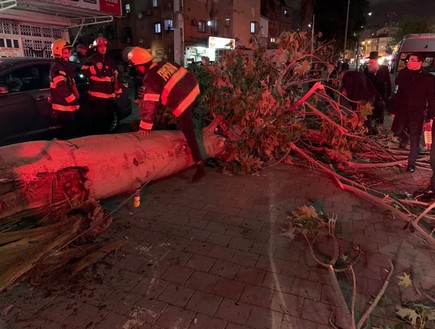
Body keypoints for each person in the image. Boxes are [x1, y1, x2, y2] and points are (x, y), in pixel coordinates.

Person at [127, 46, 205, 182]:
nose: (136, 71)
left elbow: (150, 104)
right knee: (192, 122)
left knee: (188, 131)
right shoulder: (165, 63)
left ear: (139, 66)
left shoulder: (149, 77)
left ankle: (199, 163)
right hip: (195, 90)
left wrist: (145, 127)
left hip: (183, 101)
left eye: (135, 67)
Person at [391, 53, 435, 173]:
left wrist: (431, 116)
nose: (408, 62)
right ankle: (404, 137)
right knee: (396, 131)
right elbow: (398, 87)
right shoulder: (405, 74)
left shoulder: (428, 78)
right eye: (408, 59)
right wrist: (394, 110)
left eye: (412, 60)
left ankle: (411, 163)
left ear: (419, 62)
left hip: (416, 113)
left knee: (415, 137)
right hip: (402, 111)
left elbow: (432, 99)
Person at [81, 37, 122, 134]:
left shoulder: (109, 60)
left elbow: (115, 75)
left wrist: (117, 90)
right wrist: (95, 68)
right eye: (100, 47)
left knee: (109, 119)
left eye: (104, 46)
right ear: (96, 48)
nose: (103, 49)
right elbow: (84, 72)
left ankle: (107, 140)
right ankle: (99, 140)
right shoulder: (91, 60)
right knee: (99, 121)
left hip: (109, 97)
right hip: (97, 98)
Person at [50, 39, 80, 139]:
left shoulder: (63, 66)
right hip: (63, 106)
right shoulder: (58, 67)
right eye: (65, 52)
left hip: (66, 105)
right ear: (58, 52)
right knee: (68, 132)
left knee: (70, 131)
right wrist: (73, 100)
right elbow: (61, 87)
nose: (67, 55)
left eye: (68, 52)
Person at [339, 64, 378, 133]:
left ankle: (365, 133)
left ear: (342, 74)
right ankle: (368, 131)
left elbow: (349, 90)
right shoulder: (355, 74)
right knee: (366, 115)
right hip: (370, 96)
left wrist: (344, 92)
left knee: (361, 117)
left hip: (361, 99)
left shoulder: (347, 76)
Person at [363, 51, 392, 131]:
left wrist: (389, 94)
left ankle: (377, 128)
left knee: (379, 113)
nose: (370, 63)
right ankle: (368, 129)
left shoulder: (384, 69)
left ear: (376, 61)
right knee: (368, 114)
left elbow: (388, 83)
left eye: (372, 61)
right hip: (369, 96)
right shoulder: (366, 70)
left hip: (380, 95)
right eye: (370, 61)